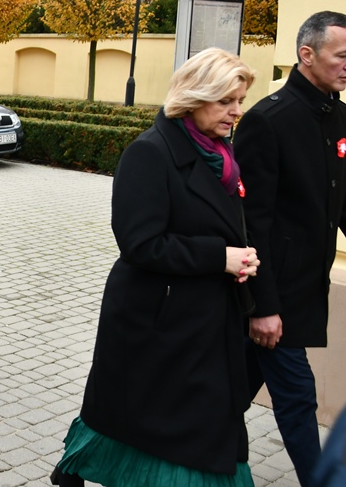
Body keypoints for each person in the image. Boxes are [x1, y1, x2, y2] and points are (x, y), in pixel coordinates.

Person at [51, 47, 260, 487]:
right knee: (150, 422)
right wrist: (219, 257)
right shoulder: (149, 152)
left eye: (240, 101)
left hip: (206, 319)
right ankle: (81, 467)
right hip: (158, 320)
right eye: (226, 100)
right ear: (195, 97)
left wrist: (240, 258)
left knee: (191, 424)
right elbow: (139, 243)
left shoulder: (221, 154)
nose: (237, 111)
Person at [235, 10, 346, 487]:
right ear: (307, 54)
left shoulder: (337, 114)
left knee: (223, 396)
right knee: (298, 397)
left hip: (305, 289)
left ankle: (127, 441)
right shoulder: (268, 120)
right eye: (341, 55)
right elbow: (249, 223)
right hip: (272, 294)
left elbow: (339, 199)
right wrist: (262, 306)